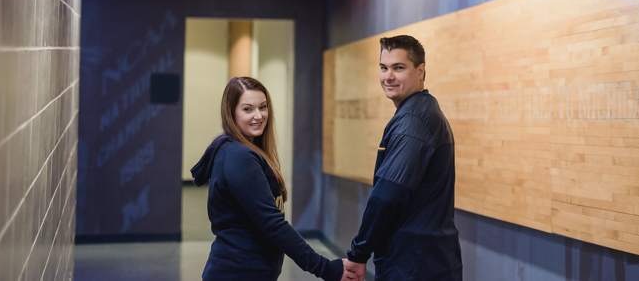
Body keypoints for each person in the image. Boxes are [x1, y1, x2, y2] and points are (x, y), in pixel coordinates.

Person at [192, 76, 357, 281]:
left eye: (262, 107)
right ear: (231, 112)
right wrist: (325, 268)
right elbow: (273, 224)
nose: (258, 116)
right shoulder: (239, 157)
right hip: (238, 273)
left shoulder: (247, 151)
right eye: (247, 109)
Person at [345, 35, 463, 281]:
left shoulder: (414, 121)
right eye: (383, 68)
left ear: (420, 71)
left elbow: (387, 195)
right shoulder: (418, 113)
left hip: (415, 265)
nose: (388, 76)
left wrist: (358, 253)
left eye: (398, 68)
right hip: (420, 260)